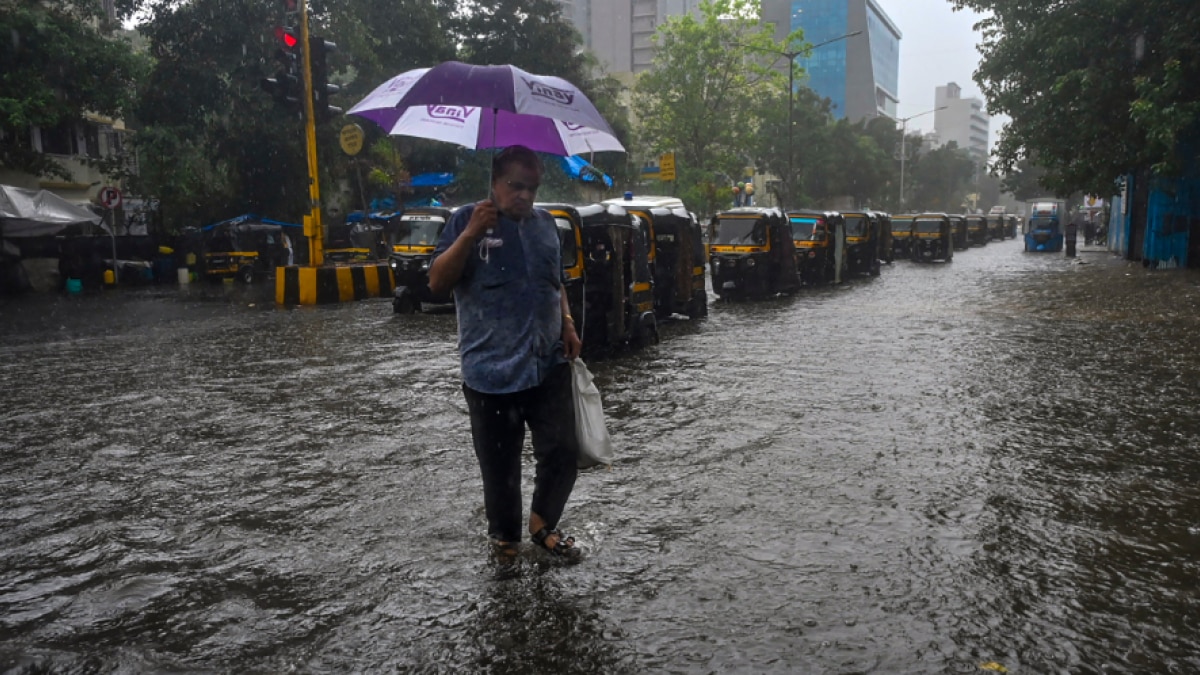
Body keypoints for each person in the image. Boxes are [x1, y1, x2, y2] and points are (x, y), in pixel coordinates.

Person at [428, 145, 584, 560]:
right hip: (491, 371)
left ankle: (542, 524)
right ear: (494, 182)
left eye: (532, 188)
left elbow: (556, 282)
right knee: (501, 471)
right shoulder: (465, 220)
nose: (525, 197)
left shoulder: (546, 224)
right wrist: (470, 234)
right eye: (516, 186)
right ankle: (505, 543)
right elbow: (438, 284)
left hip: (547, 359)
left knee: (564, 449)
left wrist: (566, 321)